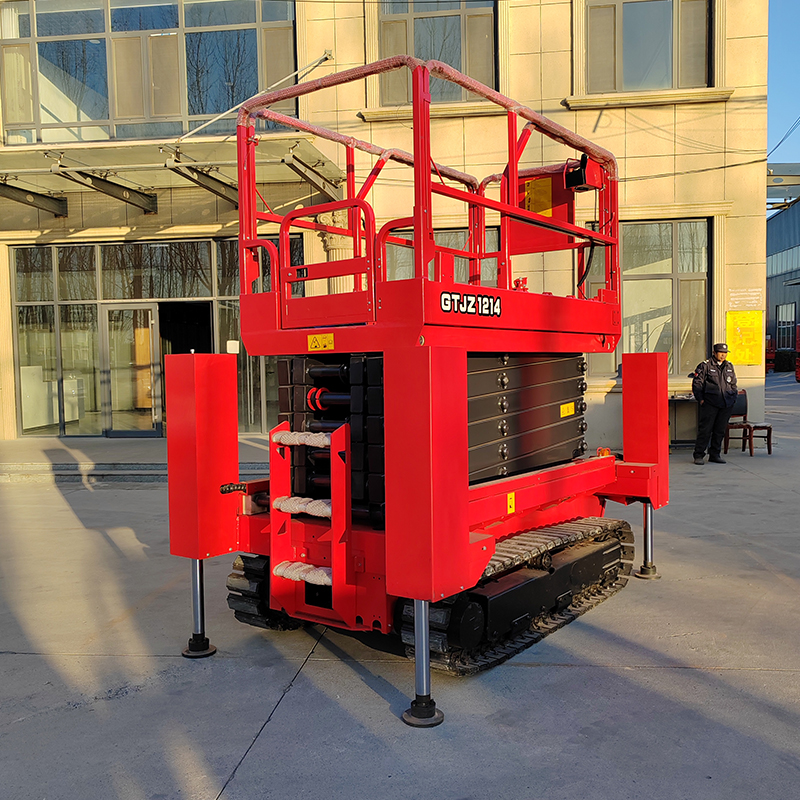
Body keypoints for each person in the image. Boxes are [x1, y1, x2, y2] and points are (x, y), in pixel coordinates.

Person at [691, 343, 738, 465]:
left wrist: (733, 397)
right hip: (710, 403)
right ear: (714, 353)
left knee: (720, 430)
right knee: (705, 430)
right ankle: (699, 455)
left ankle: (715, 454)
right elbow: (697, 384)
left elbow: (733, 384)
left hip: (726, 404)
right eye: (721, 353)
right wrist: (700, 399)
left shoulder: (729, 366)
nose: (723, 355)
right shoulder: (705, 366)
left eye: (725, 353)